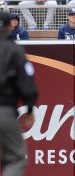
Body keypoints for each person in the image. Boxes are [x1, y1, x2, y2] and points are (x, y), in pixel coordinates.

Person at [0, 11, 38, 176]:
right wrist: (29, 109)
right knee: (16, 158)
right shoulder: (14, 51)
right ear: (9, 27)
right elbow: (27, 82)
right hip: (4, 111)